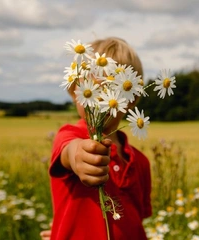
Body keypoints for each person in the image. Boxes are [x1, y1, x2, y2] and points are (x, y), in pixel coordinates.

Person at [46, 37, 152, 240]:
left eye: (109, 90)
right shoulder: (69, 136)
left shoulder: (140, 162)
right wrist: (79, 156)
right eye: (91, 90)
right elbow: (71, 151)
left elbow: (137, 220)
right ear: (75, 91)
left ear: (131, 98)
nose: (98, 100)